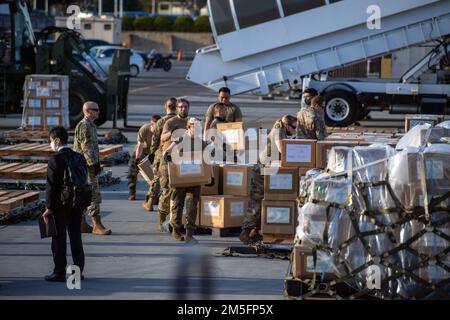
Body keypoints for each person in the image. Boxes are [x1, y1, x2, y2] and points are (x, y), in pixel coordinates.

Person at [42, 126, 86, 282]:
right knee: (76, 237)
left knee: (59, 238)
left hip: (60, 205)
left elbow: (51, 187)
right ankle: (77, 272)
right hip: (78, 203)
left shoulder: (55, 160)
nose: (50, 144)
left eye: (50, 141)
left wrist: (49, 208)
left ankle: (59, 272)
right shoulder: (79, 157)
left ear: (56, 141)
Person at [163, 117, 207, 244]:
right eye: (196, 126)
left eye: (200, 127)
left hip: (195, 179)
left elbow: (206, 160)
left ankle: (189, 234)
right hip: (181, 178)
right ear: (189, 127)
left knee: (192, 207)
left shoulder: (201, 142)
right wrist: (169, 157)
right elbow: (167, 151)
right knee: (178, 204)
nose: (198, 129)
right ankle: (176, 230)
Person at [73, 101, 112, 235]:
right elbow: (87, 147)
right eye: (96, 110)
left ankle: (82, 224)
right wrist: (94, 164)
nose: (98, 112)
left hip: (86, 165)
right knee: (93, 194)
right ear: (88, 111)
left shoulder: (91, 125)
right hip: (86, 166)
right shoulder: (85, 126)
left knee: (84, 193)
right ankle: (97, 225)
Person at [160, 98, 191, 241]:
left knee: (182, 194)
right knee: (169, 191)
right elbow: (162, 138)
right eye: (180, 107)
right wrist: (174, 132)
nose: (183, 109)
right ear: (177, 109)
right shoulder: (170, 122)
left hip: (185, 160)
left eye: (185, 107)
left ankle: (177, 225)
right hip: (170, 160)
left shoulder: (191, 122)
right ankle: (162, 219)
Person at [149, 98, 177, 230]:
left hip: (163, 158)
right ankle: (172, 218)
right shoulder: (180, 121)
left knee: (165, 189)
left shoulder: (160, 121)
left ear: (165, 106)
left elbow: (155, 141)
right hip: (178, 158)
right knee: (174, 189)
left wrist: (152, 155)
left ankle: (161, 220)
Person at [127, 115, 162, 209]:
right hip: (143, 149)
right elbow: (140, 145)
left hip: (155, 151)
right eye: (156, 125)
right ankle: (132, 191)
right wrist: (137, 159)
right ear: (152, 124)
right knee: (132, 168)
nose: (158, 127)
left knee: (156, 173)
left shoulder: (162, 129)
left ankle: (155, 195)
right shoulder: (144, 129)